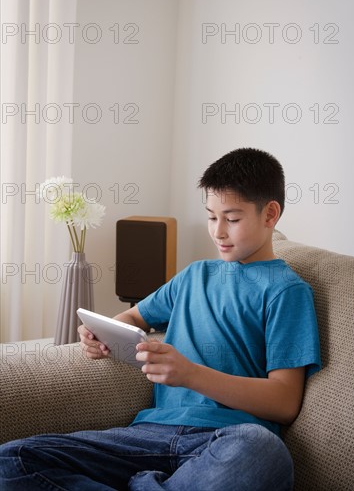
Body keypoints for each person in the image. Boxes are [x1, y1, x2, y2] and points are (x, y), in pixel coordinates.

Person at [0, 147, 321, 490]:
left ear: (270, 214)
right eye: (212, 217)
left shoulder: (286, 291)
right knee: (12, 460)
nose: (218, 232)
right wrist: (101, 333)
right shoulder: (195, 276)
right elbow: (133, 316)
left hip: (227, 439)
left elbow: (285, 401)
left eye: (233, 218)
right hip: (147, 436)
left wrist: (191, 374)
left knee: (264, 452)